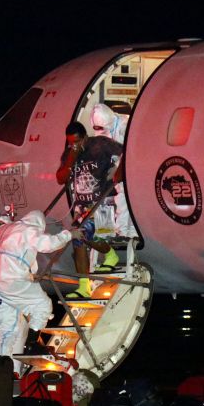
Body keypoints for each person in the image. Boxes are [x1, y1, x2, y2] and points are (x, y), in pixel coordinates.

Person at [0, 210, 80, 371]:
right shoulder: (27, 230)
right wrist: (69, 235)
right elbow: (47, 245)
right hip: (10, 288)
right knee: (42, 306)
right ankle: (31, 345)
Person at [56, 121, 123, 297]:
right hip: (82, 206)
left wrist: (118, 171)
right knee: (77, 239)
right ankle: (83, 287)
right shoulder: (70, 153)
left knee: (93, 236)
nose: (74, 145)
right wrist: (72, 156)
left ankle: (110, 255)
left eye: (77, 141)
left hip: (104, 201)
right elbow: (60, 178)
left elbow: (126, 153)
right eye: (70, 142)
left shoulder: (100, 144)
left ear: (85, 137)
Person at [90, 103, 136, 239]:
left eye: (103, 129)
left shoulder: (124, 126)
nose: (102, 132)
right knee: (107, 196)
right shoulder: (102, 126)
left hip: (128, 166)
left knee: (124, 198)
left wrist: (118, 170)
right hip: (116, 164)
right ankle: (110, 232)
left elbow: (129, 151)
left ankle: (128, 232)